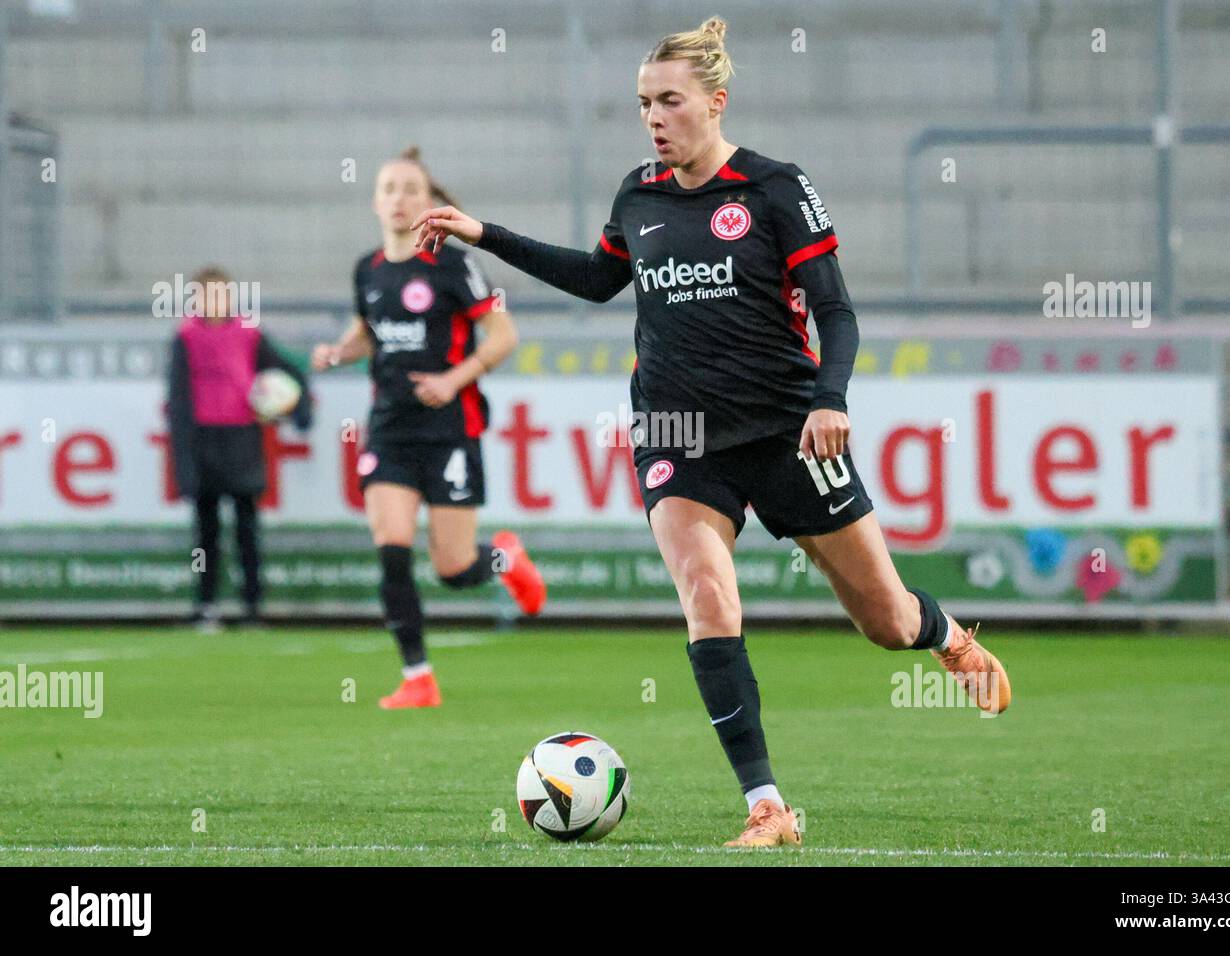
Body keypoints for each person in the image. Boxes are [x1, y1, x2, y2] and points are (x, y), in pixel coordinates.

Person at [412, 18, 1012, 845]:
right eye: (642, 104)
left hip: (788, 433)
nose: (653, 118)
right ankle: (767, 806)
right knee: (706, 593)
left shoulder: (773, 189)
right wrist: (486, 233)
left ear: (715, 103)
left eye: (669, 101)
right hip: (676, 434)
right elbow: (596, 280)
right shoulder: (640, 193)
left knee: (885, 622)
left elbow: (834, 312)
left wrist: (830, 398)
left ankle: (943, 635)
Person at [312, 147, 546, 710]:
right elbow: (370, 326)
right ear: (375, 201)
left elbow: (503, 335)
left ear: (428, 201)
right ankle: (418, 676)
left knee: (454, 567)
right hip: (390, 430)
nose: (399, 198)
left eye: (410, 189)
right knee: (391, 547)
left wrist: (453, 379)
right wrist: (341, 350)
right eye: (388, 188)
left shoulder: (451, 263)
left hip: (449, 429)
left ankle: (505, 558)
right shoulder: (366, 269)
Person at [166, 266, 312, 631]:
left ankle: (252, 606)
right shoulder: (185, 337)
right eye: (206, 294)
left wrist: (300, 409)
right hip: (203, 440)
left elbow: (288, 373)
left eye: (221, 293)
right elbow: (178, 399)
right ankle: (206, 606)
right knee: (206, 532)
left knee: (247, 527)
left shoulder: (248, 334)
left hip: (242, 438)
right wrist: (183, 460)